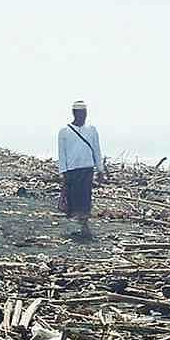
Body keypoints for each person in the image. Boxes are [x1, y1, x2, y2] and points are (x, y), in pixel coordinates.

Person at [57, 100, 105, 238]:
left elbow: (97, 150)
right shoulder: (64, 131)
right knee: (74, 198)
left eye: (84, 113)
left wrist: (100, 170)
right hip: (72, 169)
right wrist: (63, 172)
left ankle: (84, 225)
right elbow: (62, 153)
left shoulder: (92, 130)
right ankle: (81, 224)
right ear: (74, 113)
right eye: (80, 113)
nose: (82, 116)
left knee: (85, 198)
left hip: (87, 168)